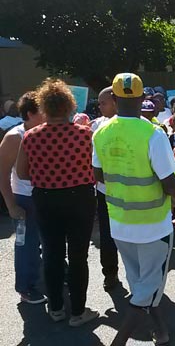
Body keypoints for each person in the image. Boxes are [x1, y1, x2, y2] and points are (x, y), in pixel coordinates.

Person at [93, 73, 175, 345]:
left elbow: (98, 173)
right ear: (143, 99)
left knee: (140, 283)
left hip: (119, 224)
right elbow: (170, 184)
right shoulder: (153, 134)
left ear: (114, 99)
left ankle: (160, 330)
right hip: (153, 226)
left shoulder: (101, 132)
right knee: (146, 290)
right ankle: (119, 341)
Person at [16, 78, 98, 325]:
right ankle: (78, 311)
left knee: (52, 254)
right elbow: (96, 168)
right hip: (80, 198)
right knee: (77, 256)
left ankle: (56, 308)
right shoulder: (85, 135)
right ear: (69, 106)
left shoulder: (30, 137)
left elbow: (21, 172)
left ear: (44, 107)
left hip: (46, 198)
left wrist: (45, 175)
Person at [0, 91, 46, 304]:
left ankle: (53, 275)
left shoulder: (47, 132)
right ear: (29, 114)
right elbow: (1, 174)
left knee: (50, 241)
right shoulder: (13, 137)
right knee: (24, 244)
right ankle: (25, 287)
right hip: (22, 199)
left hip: (46, 197)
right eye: (43, 111)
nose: (47, 115)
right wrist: (11, 206)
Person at [92, 86, 121, 292]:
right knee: (107, 234)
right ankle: (110, 273)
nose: (100, 107)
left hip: (131, 192)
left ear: (116, 102)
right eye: (99, 103)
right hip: (105, 192)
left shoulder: (136, 124)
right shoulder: (96, 127)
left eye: (103, 103)